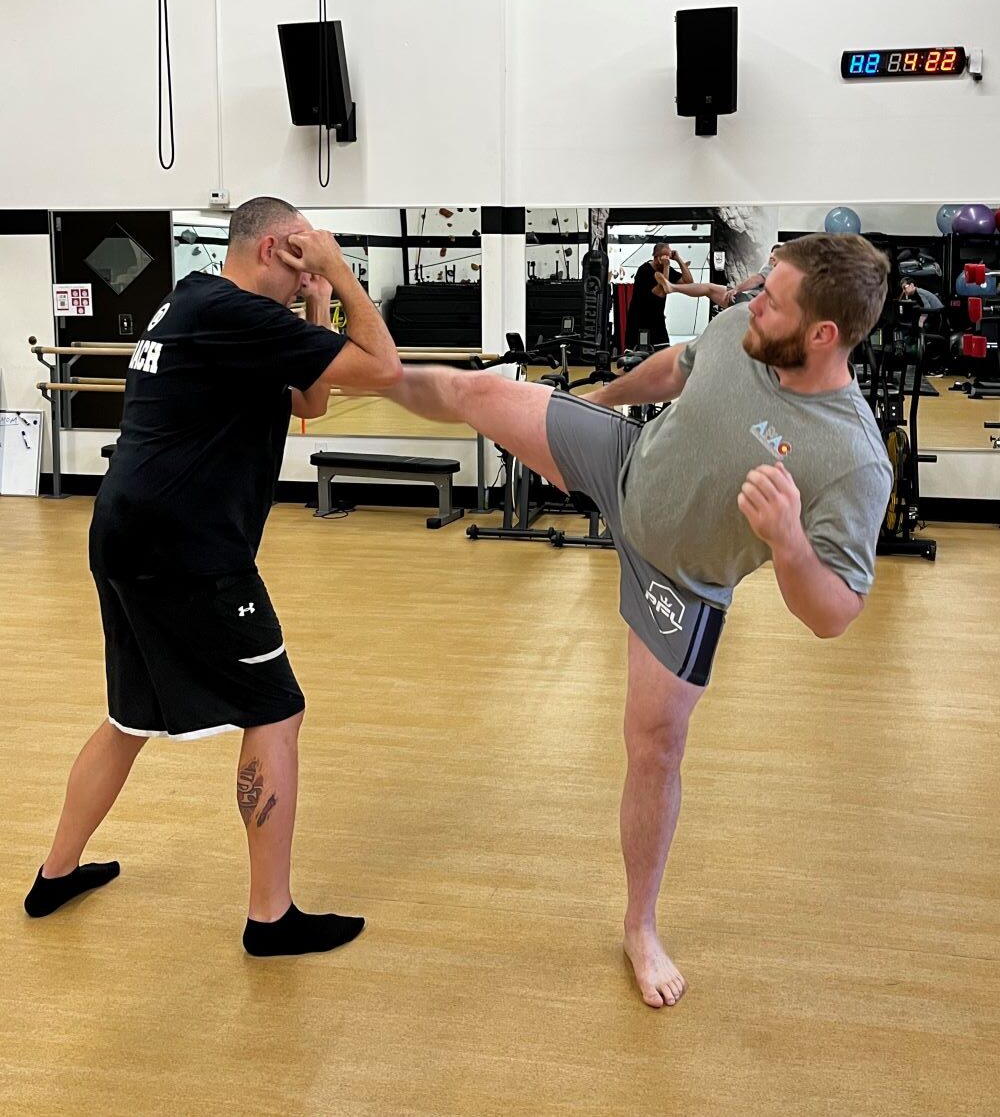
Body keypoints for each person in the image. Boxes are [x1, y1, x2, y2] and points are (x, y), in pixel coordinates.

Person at [380, 233, 892, 1010]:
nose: (751, 301)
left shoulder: (852, 458)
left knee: (653, 749)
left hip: (680, 581)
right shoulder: (745, 328)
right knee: (478, 393)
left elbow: (834, 615)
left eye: (773, 300)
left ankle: (639, 926)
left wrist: (789, 543)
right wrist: (603, 399)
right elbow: (677, 369)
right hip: (622, 462)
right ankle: (325, 370)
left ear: (823, 334)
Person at [24, 197, 402, 957]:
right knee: (277, 709)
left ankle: (55, 873)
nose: (306, 272)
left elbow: (311, 400)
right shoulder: (235, 315)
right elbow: (383, 368)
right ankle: (271, 917)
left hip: (128, 536)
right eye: (298, 257)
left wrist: (318, 301)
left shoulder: (193, 301)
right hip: (189, 552)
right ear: (272, 248)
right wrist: (340, 271)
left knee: (131, 717)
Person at [662, 245, 782, 310]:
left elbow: (757, 279)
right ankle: (672, 288)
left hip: (750, 302)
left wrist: (736, 289)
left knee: (708, 288)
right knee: (708, 289)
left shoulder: (774, 266)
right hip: (757, 303)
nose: (771, 258)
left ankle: (673, 288)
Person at [624, 243, 693, 350]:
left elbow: (688, 282)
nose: (667, 260)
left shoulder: (666, 270)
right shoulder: (644, 270)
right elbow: (662, 290)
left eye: (668, 257)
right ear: (656, 257)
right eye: (664, 257)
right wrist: (666, 266)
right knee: (639, 356)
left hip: (657, 322)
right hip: (640, 322)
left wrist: (678, 259)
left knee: (662, 354)